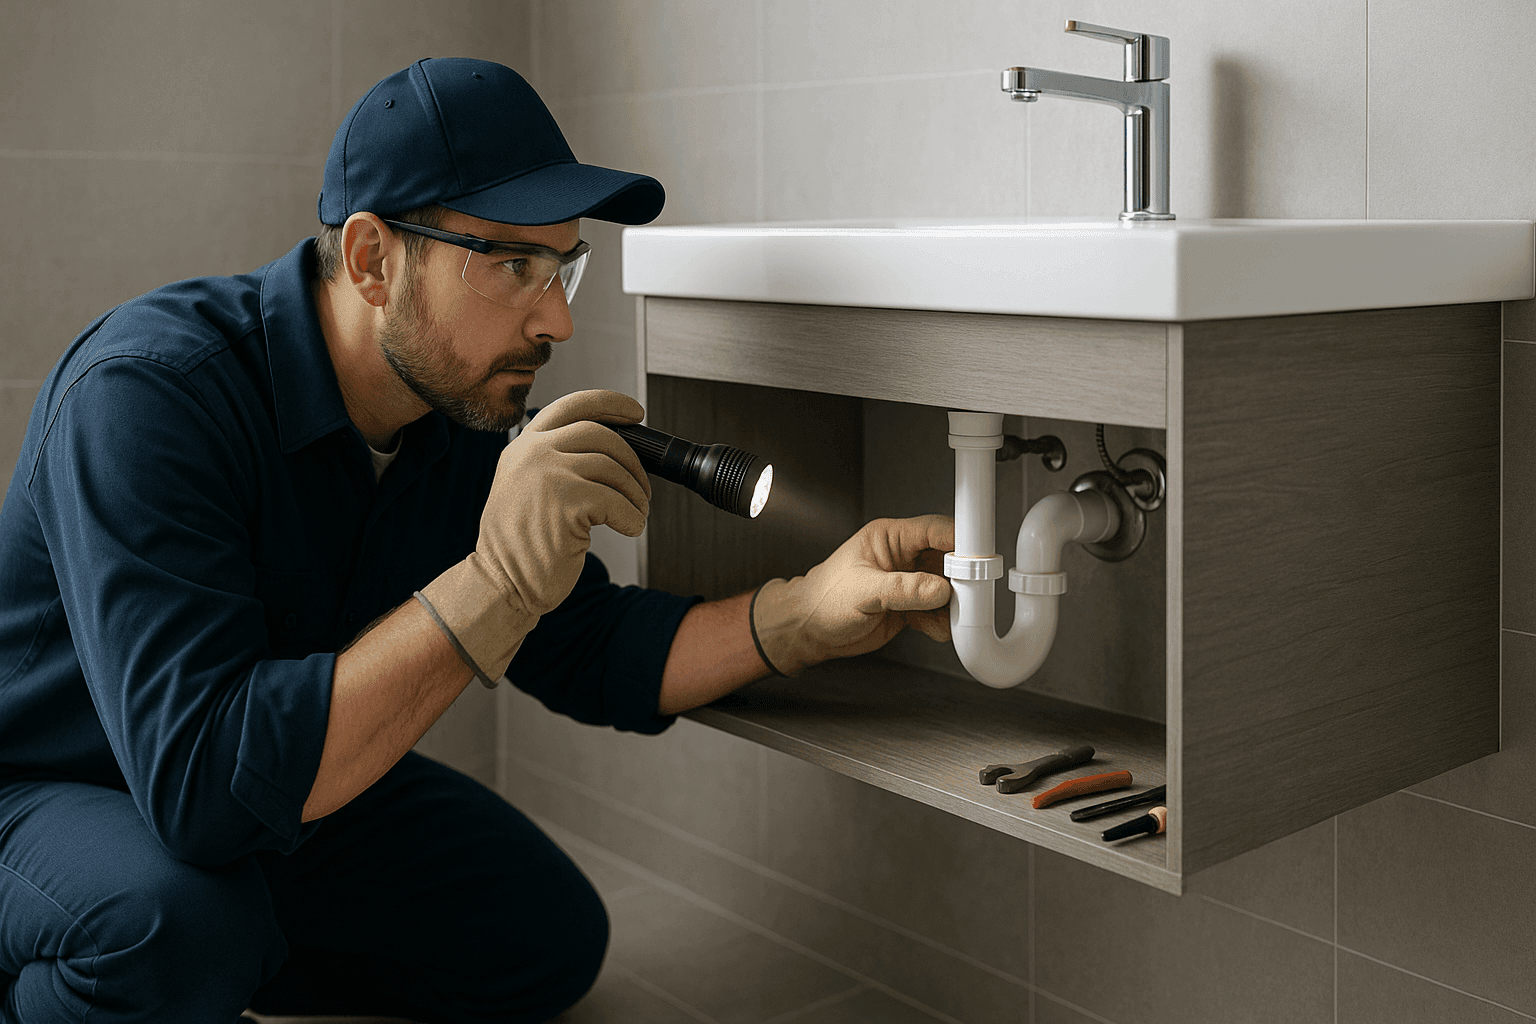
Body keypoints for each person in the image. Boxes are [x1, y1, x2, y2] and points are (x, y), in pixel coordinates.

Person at [0, 58, 954, 1023]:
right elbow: (200, 785)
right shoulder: (150, 397)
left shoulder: (451, 416)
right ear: (374, 259)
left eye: (563, 266)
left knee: (539, 933)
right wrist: (495, 580)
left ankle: (210, 976)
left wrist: (803, 615)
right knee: (175, 926)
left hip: (257, 795)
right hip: (48, 789)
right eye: (512, 267)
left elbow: (580, 643)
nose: (560, 319)